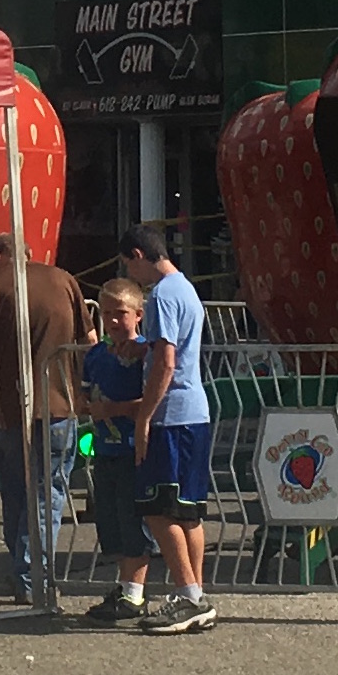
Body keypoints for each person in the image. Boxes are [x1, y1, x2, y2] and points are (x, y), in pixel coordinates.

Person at [0, 231, 86, 604]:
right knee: (48, 492)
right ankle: (32, 575)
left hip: (11, 408)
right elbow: (89, 340)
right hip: (60, 404)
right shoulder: (65, 280)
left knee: (15, 492)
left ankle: (25, 573)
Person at [118, 224, 216, 634]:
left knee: (158, 510)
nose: (131, 277)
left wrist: (144, 416)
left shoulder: (159, 296)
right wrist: (146, 346)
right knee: (189, 512)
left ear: (139, 255)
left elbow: (167, 362)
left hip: (171, 416)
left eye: (129, 266)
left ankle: (188, 596)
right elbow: (169, 347)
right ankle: (196, 594)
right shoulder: (187, 289)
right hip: (197, 412)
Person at [78, 277, 154, 623]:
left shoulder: (146, 355)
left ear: (138, 315)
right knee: (110, 522)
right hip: (104, 448)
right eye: (106, 313)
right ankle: (123, 588)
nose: (111, 321)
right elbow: (86, 394)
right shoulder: (96, 355)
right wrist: (87, 406)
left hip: (132, 447)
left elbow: (153, 401)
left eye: (120, 314)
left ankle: (135, 593)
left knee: (133, 520)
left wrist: (117, 409)